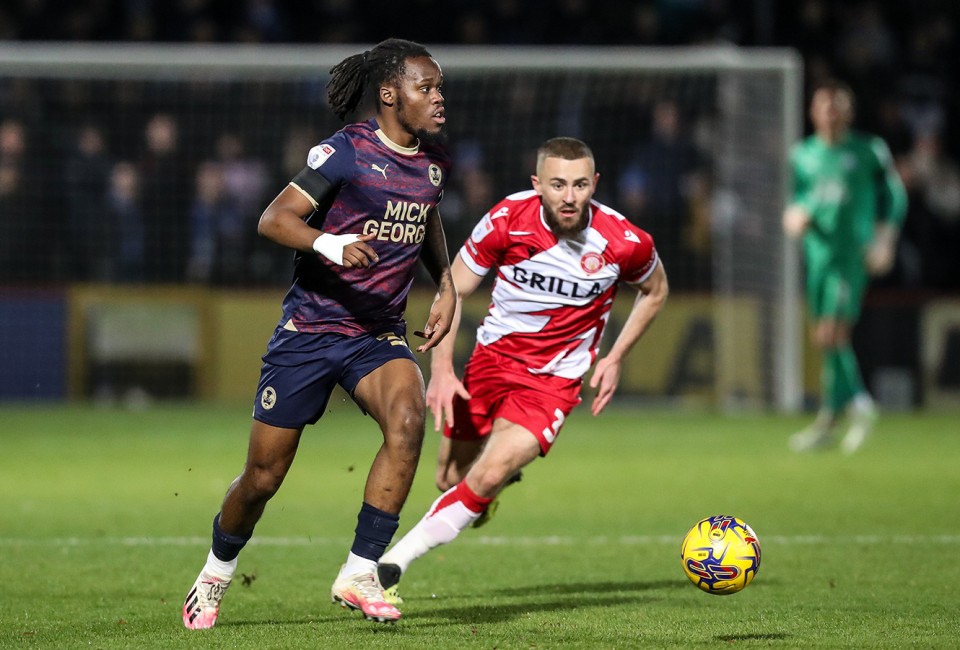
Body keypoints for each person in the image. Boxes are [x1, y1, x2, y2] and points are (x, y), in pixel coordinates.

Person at [182, 37, 455, 628]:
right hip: (310, 330)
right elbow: (273, 218)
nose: (439, 98)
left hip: (376, 332)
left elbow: (428, 214)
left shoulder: (433, 162)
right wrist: (329, 243)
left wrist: (448, 284)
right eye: (426, 87)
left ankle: (360, 571)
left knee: (408, 421)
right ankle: (216, 571)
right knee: (263, 478)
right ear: (390, 94)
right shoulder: (346, 151)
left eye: (440, 87)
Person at [375, 137, 669, 602]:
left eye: (579, 185)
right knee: (450, 480)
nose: (569, 196)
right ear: (537, 184)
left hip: (553, 384)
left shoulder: (623, 241)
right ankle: (486, 492)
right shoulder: (507, 219)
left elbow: (655, 290)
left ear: (594, 183)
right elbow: (453, 290)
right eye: (557, 184)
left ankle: (392, 564)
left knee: (488, 474)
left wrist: (615, 357)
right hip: (490, 365)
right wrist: (443, 369)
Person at [783, 80, 907, 454]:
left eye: (837, 106)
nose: (830, 113)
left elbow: (894, 195)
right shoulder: (802, 155)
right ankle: (830, 419)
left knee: (834, 334)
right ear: (813, 112)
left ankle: (860, 405)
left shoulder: (869, 150)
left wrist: (885, 240)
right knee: (823, 338)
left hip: (850, 256)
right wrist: (794, 217)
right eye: (824, 106)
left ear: (849, 112)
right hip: (817, 255)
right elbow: (796, 200)